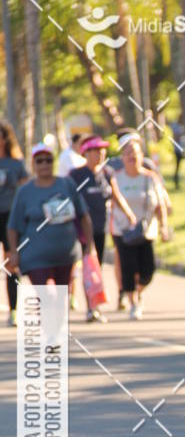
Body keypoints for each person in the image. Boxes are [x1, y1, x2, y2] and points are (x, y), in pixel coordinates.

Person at [7, 142, 95, 288]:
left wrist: (90, 245)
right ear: (33, 164)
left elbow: (84, 215)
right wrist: (15, 253)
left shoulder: (66, 184)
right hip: (35, 257)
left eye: (48, 160)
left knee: (61, 300)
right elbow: (13, 226)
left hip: (65, 255)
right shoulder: (25, 191)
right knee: (44, 297)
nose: (44, 164)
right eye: (39, 161)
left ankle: (58, 309)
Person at [69, 135, 137, 322]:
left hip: (100, 227)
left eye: (102, 150)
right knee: (87, 265)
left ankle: (93, 306)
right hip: (80, 230)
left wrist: (129, 213)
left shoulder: (107, 173)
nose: (100, 154)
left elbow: (116, 195)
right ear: (86, 153)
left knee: (95, 265)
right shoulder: (76, 175)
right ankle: (88, 305)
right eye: (95, 150)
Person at [111, 134, 169, 320]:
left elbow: (160, 204)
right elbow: (110, 201)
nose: (131, 157)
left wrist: (164, 227)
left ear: (141, 155)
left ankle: (139, 289)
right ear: (122, 157)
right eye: (127, 153)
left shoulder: (150, 177)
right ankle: (133, 302)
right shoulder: (115, 178)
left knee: (148, 270)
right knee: (128, 267)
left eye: (135, 152)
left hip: (146, 230)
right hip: (123, 230)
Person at [0, 121, 28, 325]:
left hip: (9, 218)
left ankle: (14, 309)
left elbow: (26, 190)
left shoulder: (16, 164)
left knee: (11, 263)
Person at [170, 116, 185, 189]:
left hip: (181, 149)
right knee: (177, 167)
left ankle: (179, 181)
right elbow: (176, 138)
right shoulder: (176, 126)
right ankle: (176, 182)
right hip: (177, 150)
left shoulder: (180, 126)